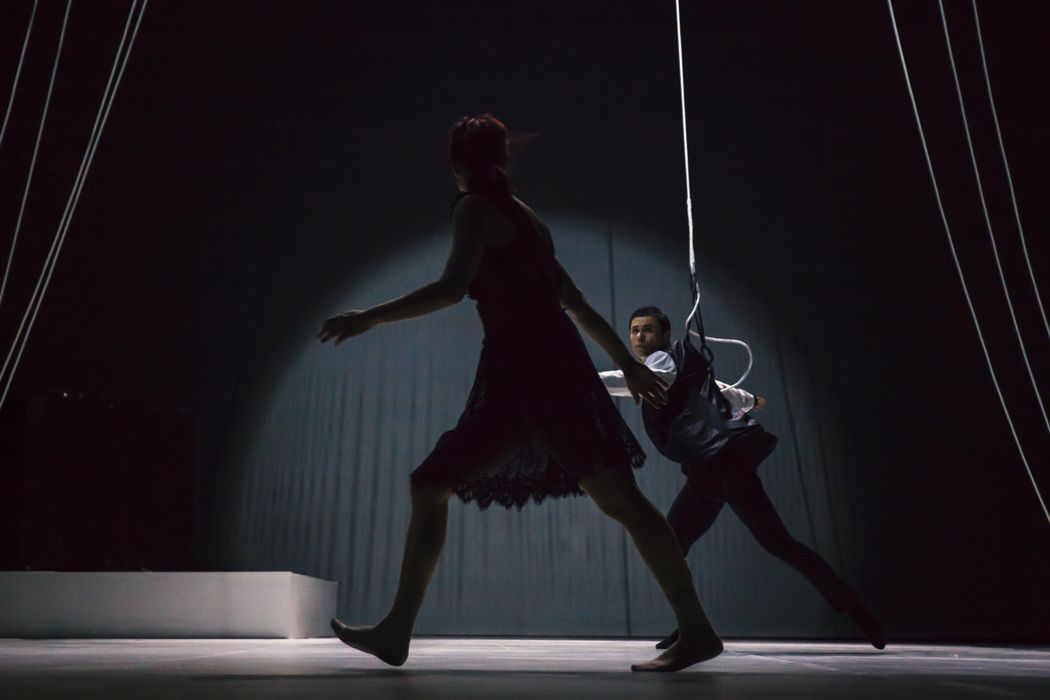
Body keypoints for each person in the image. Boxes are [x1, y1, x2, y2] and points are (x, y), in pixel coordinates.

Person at [317, 115, 722, 672]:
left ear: (456, 163)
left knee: (603, 498)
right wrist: (627, 365)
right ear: (502, 158)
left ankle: (696, 630)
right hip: (542, 374)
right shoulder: (526, 219)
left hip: (532, 376)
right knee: (602, 498)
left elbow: (451, 289)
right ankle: (396, 631)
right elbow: (575, 303)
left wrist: (370, 316)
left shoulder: (475, 209)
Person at [598, 306, 886, 650]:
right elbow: (715, 387)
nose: (640, 337)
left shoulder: (661, 364)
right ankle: (692, 625)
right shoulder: (673, 365)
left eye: (647, 330)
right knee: (671, 546)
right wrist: (749, 399)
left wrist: (584, 379)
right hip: (706, 472)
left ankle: (856, 608)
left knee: (777, 542)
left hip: (726, 465)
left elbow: (630, 379)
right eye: (634, 330)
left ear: (664, 335)